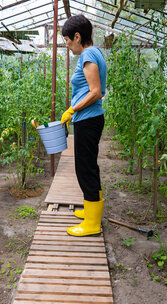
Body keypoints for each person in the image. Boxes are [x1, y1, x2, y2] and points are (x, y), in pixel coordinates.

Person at [60, 15, 107, 237]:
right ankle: (90, 211)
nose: (67, 46)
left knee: (85, 168)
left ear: (78, 37)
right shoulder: (94, 52)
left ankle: (91, 224)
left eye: (68, 41)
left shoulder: (88, 54)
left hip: (88, 119)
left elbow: (95, 91)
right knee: (88, 166)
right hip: (89, 119)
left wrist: (72, 110)